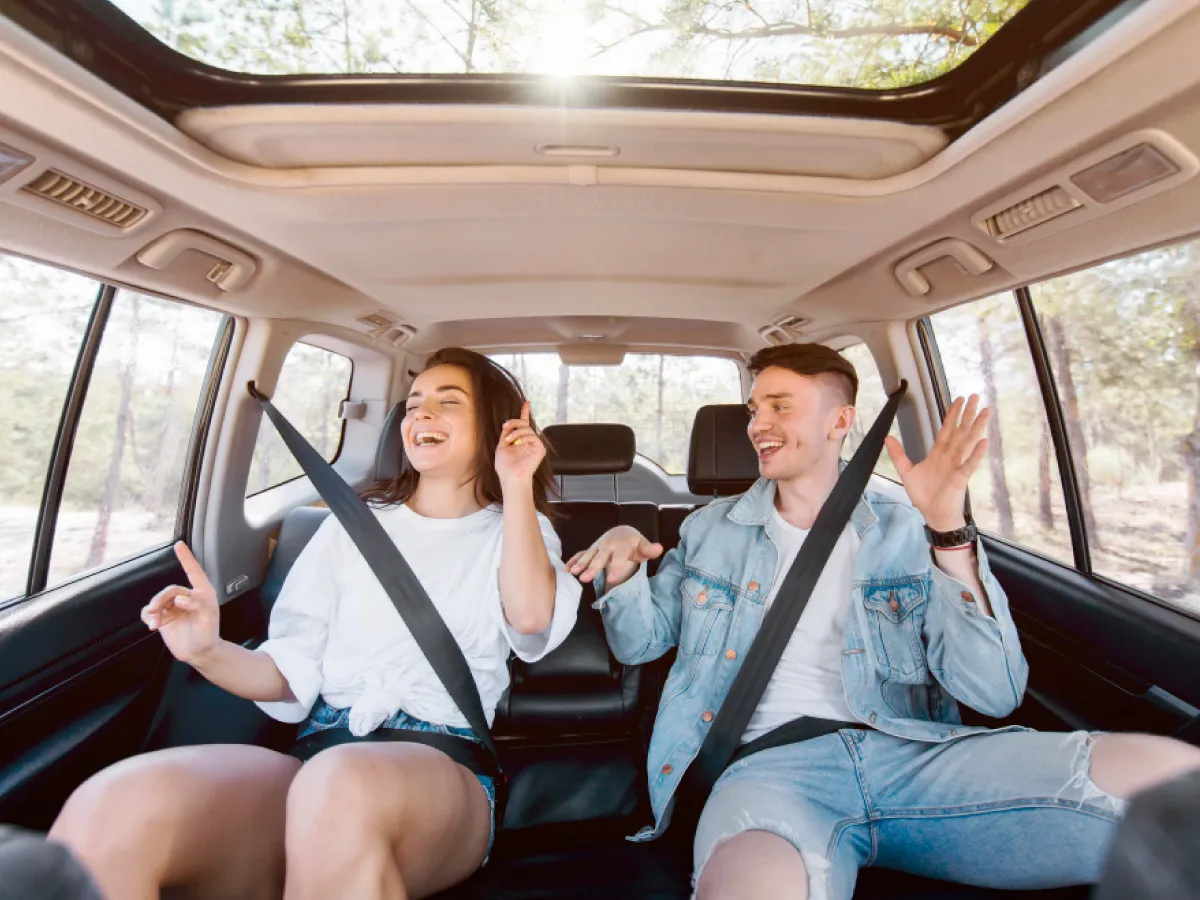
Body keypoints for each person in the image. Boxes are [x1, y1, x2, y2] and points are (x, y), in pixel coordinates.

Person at [567, 343, 1200, 900]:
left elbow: (994, 694)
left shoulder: (905, 527)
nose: (757, 422)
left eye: (780, 406)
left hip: (912, 753)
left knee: (1166, 772)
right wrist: (623, 561)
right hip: (767, 769)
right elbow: (641, 641)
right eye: (754, 408)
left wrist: (948, 530)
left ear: (841, 420)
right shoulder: (709, 528)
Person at [50, 348, 582, 900]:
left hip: (443, 764)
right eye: (414, 404)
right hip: (317, 753)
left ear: (498, 427)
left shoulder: (520, 530)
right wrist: (206, 650)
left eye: (448, 403)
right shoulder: (349, 528)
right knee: (119, 800)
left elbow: (529, 617)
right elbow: (289, 675)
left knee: (340, 785)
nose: (421, 415)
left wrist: (517, 485)